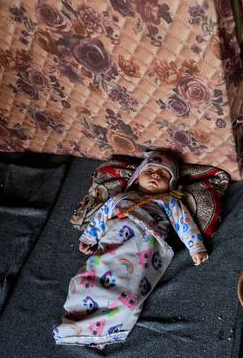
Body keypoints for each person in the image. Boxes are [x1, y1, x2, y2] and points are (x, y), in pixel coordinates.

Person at [53, 150, 209, 350]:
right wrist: (89, 237)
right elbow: (101, 216)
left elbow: (184, 223)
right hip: (113, 241)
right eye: (150, 170)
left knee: (130, 291)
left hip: (142, 244)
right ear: (138, 176)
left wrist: (195, 247)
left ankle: (104, 327)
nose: (155, 175)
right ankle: (79, 318)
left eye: (163, 175)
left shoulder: (169, 202)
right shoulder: (121, 198)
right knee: (87, 278)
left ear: (170, 185)